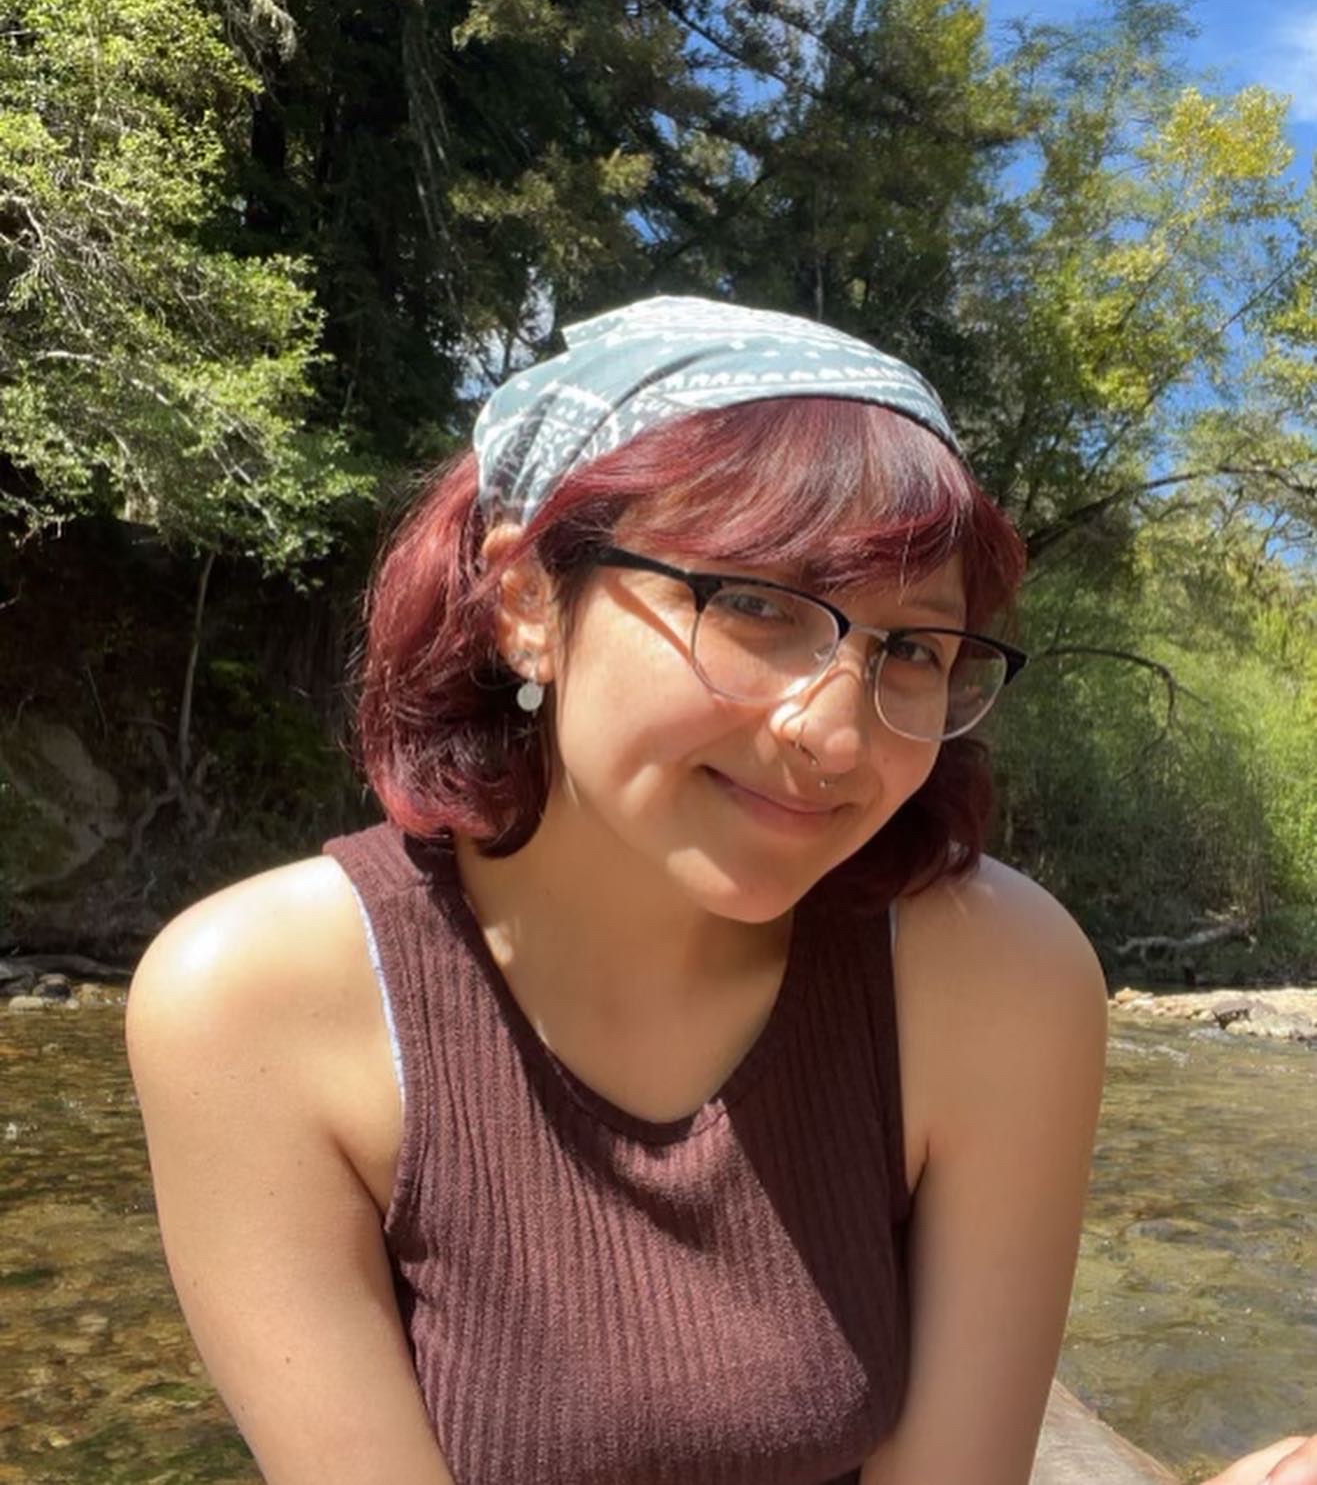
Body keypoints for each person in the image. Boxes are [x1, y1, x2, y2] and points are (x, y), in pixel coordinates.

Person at [126, 297, 1317, 1485]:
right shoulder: (254, 1003)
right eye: (753, 604)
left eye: (910, 650)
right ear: (526, 596)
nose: (837, 734)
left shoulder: (996, 970)